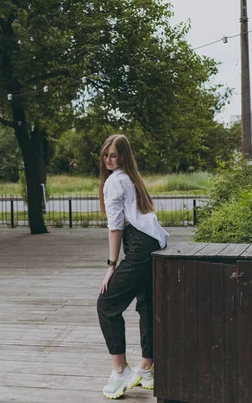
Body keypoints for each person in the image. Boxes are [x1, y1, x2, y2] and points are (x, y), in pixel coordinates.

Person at [97, 134, 169, 400]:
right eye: (106, 155)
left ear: (123, 156)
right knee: (146, 305)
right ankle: (146, 368)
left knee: (106, 304)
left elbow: (115, 227)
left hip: (139, 247)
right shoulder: (132, 179)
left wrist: (112, 265)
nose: (108, 160)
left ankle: (121, 372)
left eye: (113, 155)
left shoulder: (115, 182)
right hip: (154, 244)